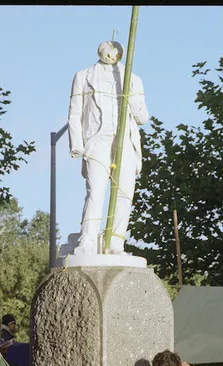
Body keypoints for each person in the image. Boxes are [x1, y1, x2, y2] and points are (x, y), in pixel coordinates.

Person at [68, 40, 149, 256]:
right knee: (95, 190)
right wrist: (77, 144)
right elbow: (75, 113)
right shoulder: (83, 76)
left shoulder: (133, 79)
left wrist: (130, 94)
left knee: (124, 192)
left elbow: (142, 117)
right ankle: (87, 240)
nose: (111, 56)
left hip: (125, 140)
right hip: (97, 140)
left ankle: (116, 242)